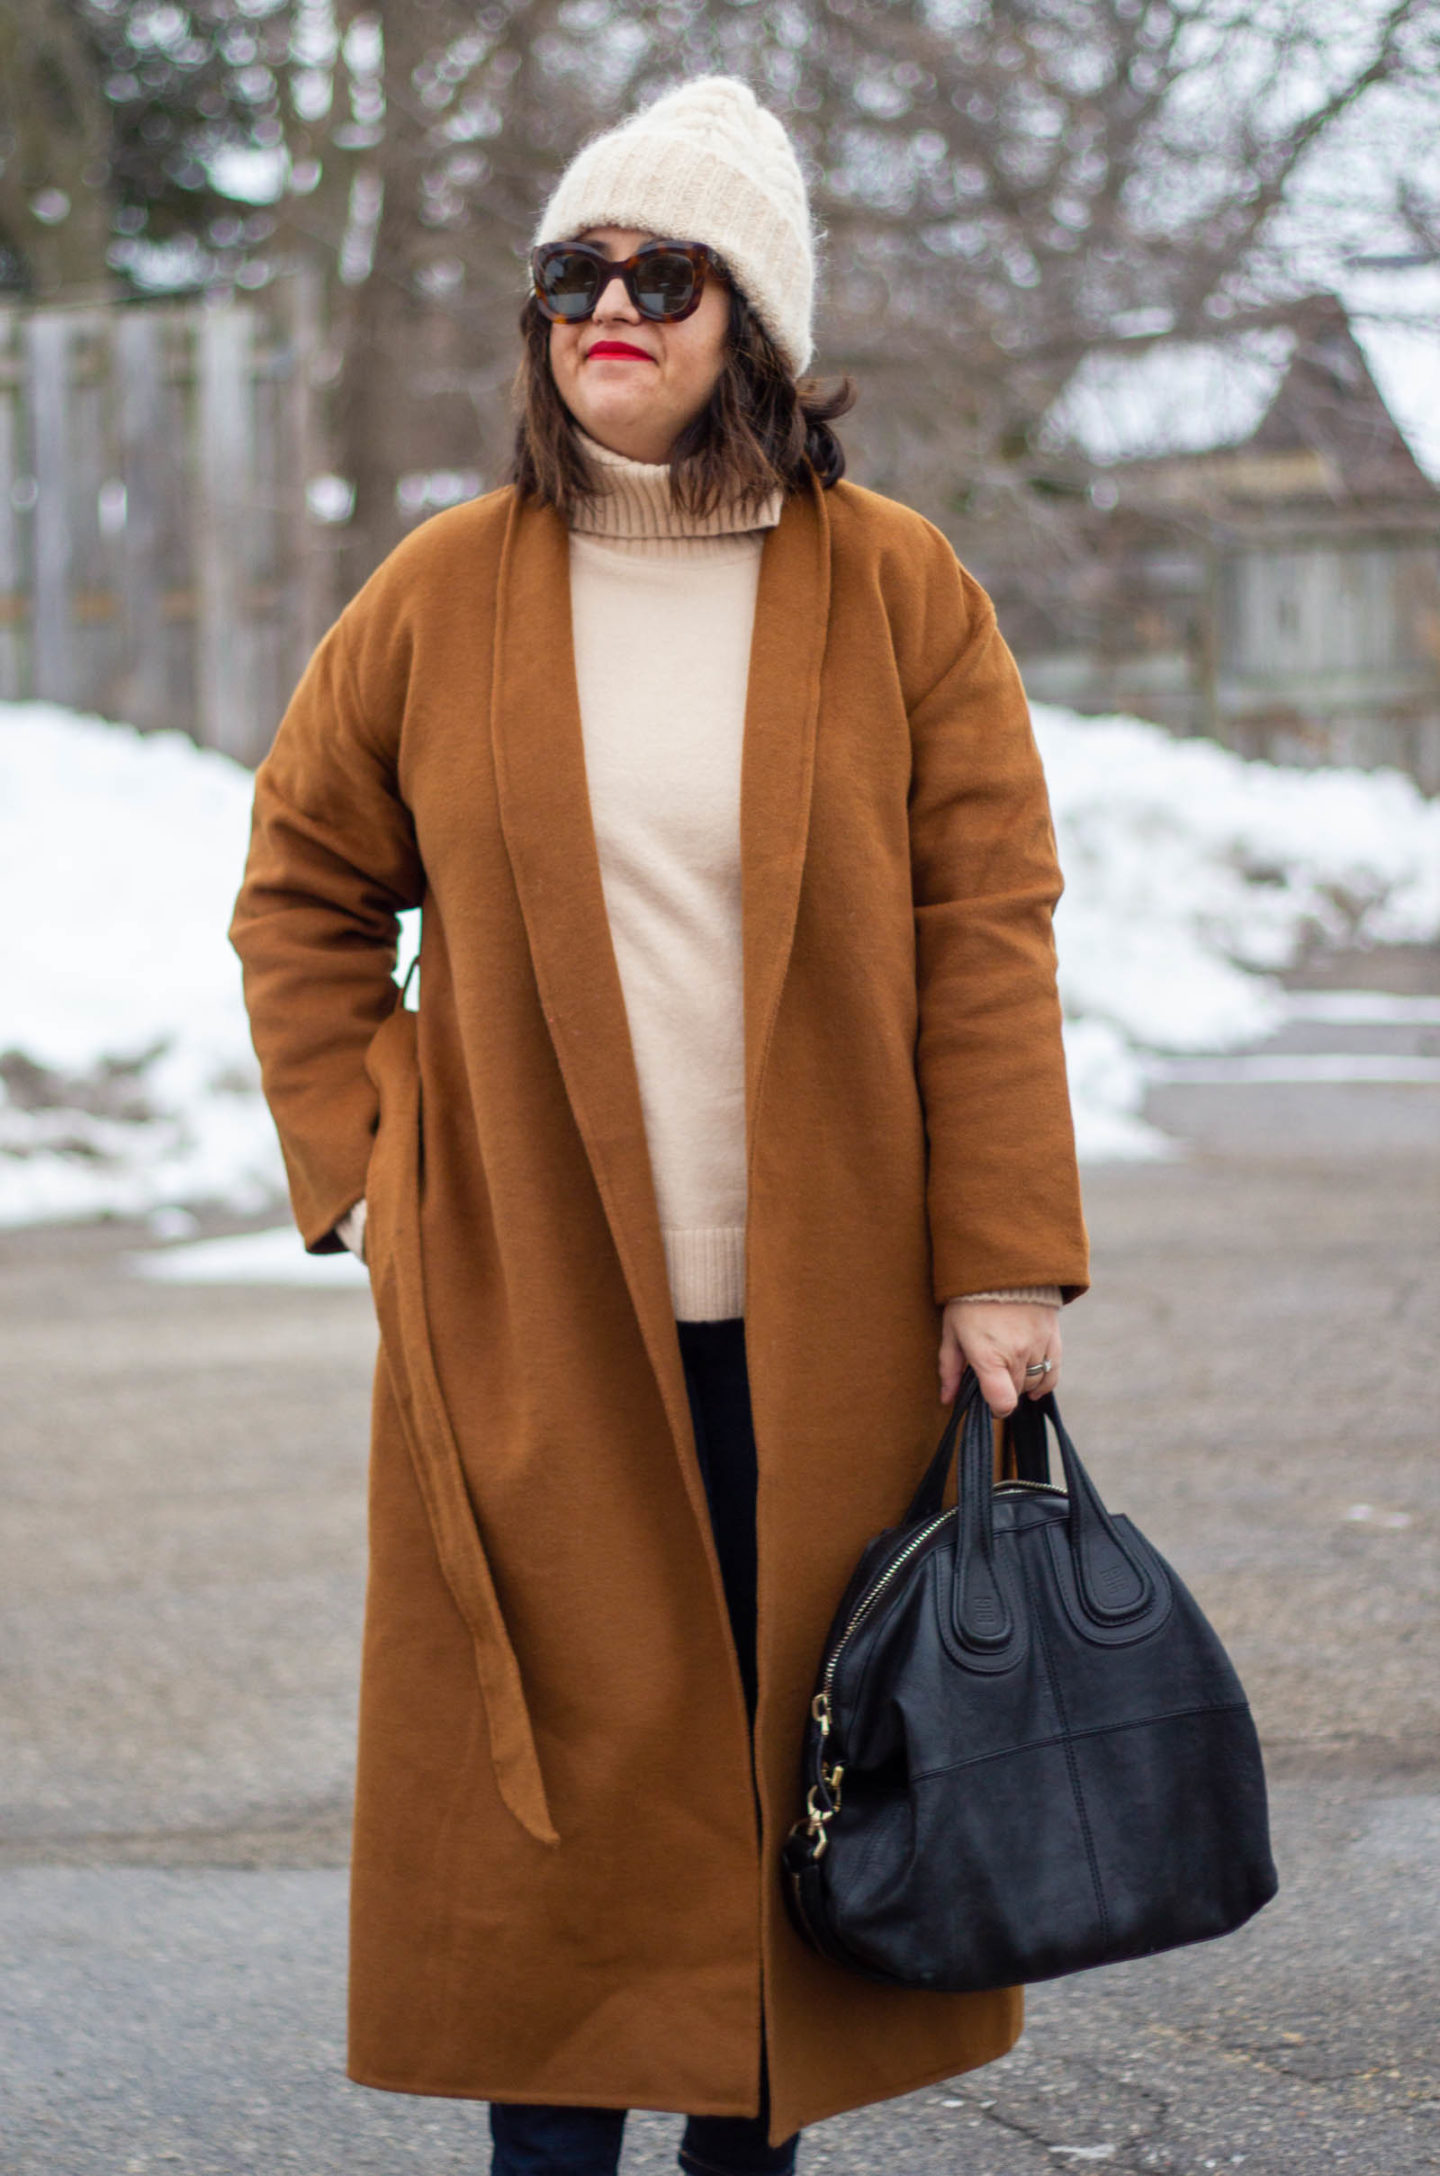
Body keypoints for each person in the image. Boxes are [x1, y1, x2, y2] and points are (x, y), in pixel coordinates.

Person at [229, 72, 1088, 2176]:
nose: (609, 307)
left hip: (825, 1307)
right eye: (571, 273)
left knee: (802, 1773)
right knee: (567, 1809)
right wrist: (377, 1166)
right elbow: (304, 885)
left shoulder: (895, 589)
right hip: (535, 1308)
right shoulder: (443, 593)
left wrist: (999, 1255)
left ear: (755, 326)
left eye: (664, 273)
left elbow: (989, 925)